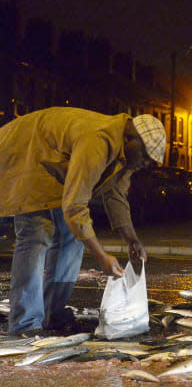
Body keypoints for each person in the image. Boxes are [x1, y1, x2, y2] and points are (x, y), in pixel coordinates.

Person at [0, 107, 166, 336]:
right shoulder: (97, 141)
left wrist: (132, 240)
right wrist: (101, 256)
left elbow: (116, 194)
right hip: (25, 155)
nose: (146, 163)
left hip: (53, 166)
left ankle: (53, 315)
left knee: (72, 240)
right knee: (36, 236)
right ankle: (25, 324)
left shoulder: (127, 156)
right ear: (132, 138)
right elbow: (75, 206)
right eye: (146, 156)